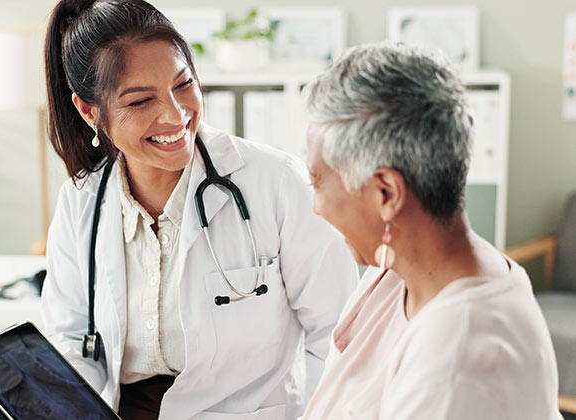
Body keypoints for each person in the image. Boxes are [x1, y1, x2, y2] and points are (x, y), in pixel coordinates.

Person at [39, 1, 358, 419]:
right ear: (89, 110)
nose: (175, 115)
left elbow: (339, 331)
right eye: (140, 102)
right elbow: (70, 337)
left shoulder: (277, 182)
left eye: (183, 84)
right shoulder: (81, 201)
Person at [301, 43, 561, 419]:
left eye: (317, 181)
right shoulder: (397, 265)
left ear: (386, 193)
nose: (316, 206)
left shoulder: (458, 363)